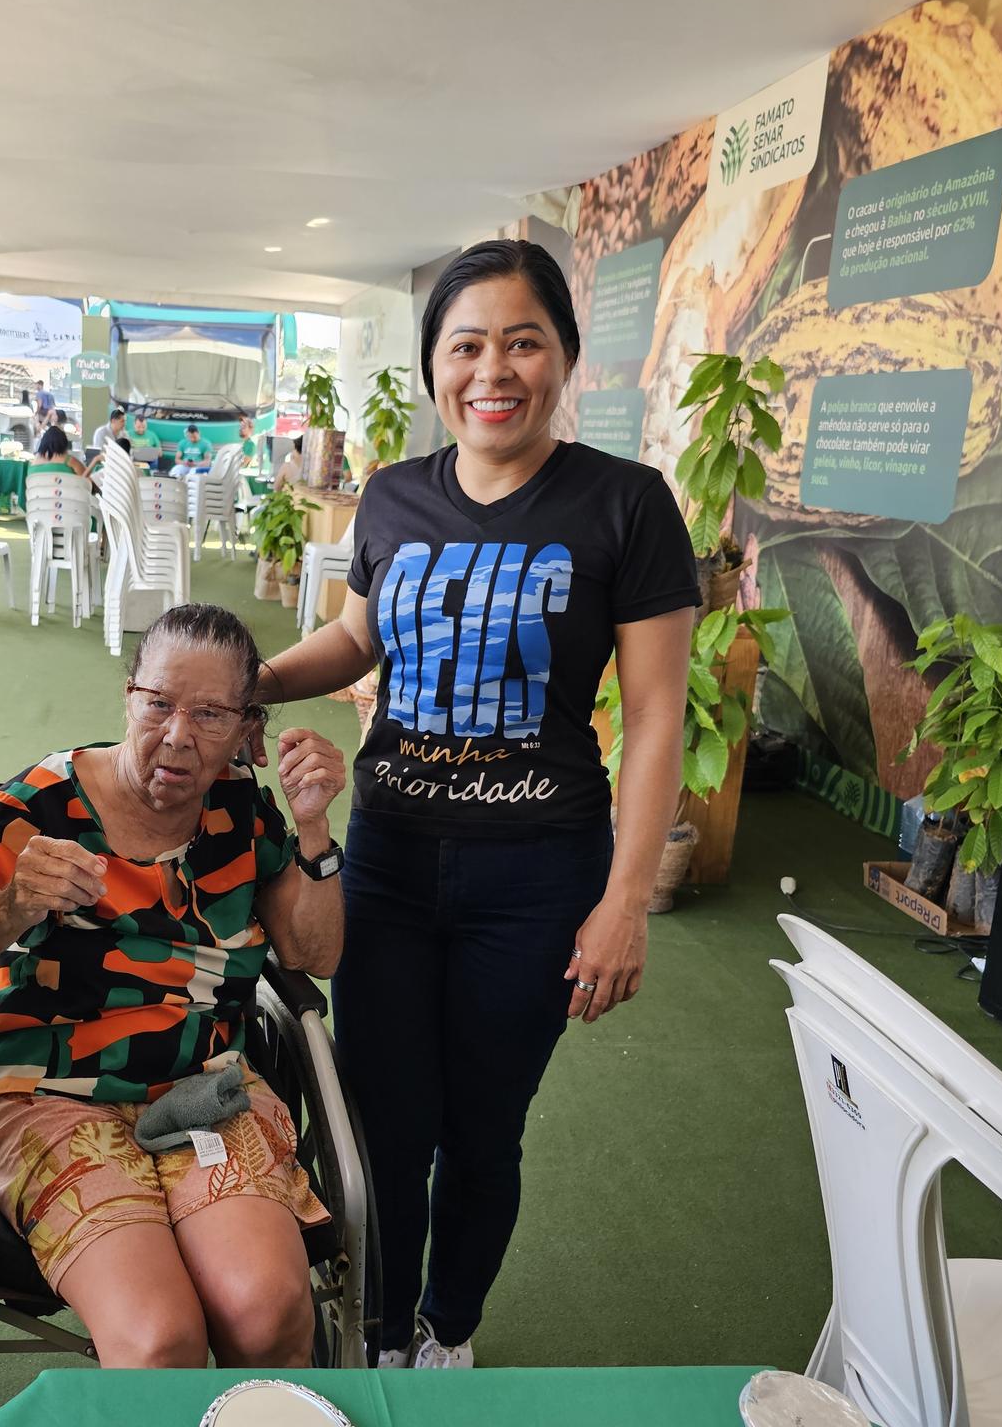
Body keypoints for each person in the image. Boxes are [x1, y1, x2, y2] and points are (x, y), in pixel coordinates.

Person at [256, 237, 698, 1368]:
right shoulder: (397, 495)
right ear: (434, 366)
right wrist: (242, 687)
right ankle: (384, 1325)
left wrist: (625, 902)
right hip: (392, 861)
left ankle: (448, 1330)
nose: (492, 370)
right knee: (383, 1125)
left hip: (536, 876)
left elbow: (653, 719)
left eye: (521, 341)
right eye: (467, 345)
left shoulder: (627, 506)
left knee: (481, 1131)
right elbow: (359, 636)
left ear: (562, 359)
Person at [0, 606, 349, 1369]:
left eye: (209, 714)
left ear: (246, 728)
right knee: (157, 1339)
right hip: (47, 1093)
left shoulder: (243, 809)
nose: (178, 736)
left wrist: (312, 833)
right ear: (128, 695)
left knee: (267, 1311)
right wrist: (12, 908)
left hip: (203, 1089)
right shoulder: (35, 807)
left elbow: (315, 952)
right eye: (159, 704)